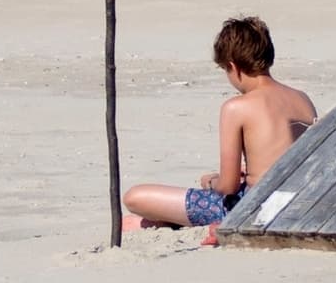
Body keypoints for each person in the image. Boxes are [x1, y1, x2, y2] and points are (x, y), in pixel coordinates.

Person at [122, 16, 318, 230]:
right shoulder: (302, 98)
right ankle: (170, 221)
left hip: (254, 206)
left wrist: (211, 181)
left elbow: (228, 186)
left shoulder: (237, 107)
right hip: (299, 200)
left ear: (233, 67)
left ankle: (174, 221)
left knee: (135, 197)